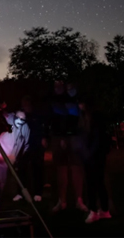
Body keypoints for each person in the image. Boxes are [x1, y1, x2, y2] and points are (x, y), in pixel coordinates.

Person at [49, 80, 88, 212]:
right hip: (60, 138)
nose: (59, 87)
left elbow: (74, 119)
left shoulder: (73, 100)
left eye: (61, 85)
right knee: (61, 169)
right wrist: (61, 136)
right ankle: (62, 200)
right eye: (56, 86)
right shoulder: (54, 101)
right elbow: (55, 120)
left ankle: (79, 200)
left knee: (76, 167)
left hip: (74, 137)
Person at [77, 98, 112, 223]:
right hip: (94, 154)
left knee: (92, 183)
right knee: (98, 182)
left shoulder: (94, 118)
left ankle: (94, 211)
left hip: (94, 155)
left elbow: (97, 137)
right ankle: (104, 210)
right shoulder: (89, 117)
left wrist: (88, 153)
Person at [13, 95, 46, 202]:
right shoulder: (20, 115)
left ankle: (38, 193)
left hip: (36, 145)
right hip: (23, 147)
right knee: (21, 169)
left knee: (37, 169)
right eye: (24, 104)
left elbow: (42, 128)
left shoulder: (37, 115)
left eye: (27, 103)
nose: (25, 106)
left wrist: (44, 138)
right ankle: (21, 192)